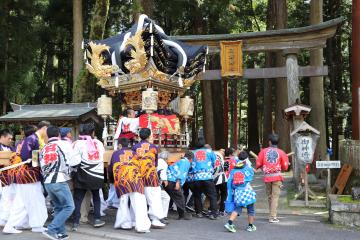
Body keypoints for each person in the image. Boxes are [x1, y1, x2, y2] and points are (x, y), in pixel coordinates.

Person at [5, 121, 50, 234]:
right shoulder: (32, 138)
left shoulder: (34, 138)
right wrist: (39, 156)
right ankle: (12, 225)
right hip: (29, 176)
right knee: (25, 202)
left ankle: (36, 225)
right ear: (44, 128)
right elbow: (26, 157)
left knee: (35, 201)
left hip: (31, 176)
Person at [39, 126, 80, 240]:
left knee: (58, 207)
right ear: (58, 134)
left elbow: (38, 164)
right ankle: (52, 229)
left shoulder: (44, 147)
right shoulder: (64, 144)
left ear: (47, 135)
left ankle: (61, 233)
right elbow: (75, 161)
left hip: (47, 182)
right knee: (69, 206)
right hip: (59, 179)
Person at [109, 137, 151, 233]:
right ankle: (142, 226)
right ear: (128, 145)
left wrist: (111, 181)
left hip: (122, 181)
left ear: (119, 145)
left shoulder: (115, 154)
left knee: (123, 202)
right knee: (139, 204)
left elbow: (111, 169)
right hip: (136, 180)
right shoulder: (135, 153)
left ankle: (125, 224)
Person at [72, 123, 105, 230]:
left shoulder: (78, 144)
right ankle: (97, 219)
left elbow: (74, 161)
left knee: (78, 199)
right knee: (96, 198)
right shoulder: (99, 143)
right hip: (97, 175)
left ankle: (76, 222)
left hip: (83, 175)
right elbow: (102, 157)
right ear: (93, 133)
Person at [132, 128, 166, 228]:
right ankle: (155, 220)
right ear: (149, 136)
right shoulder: (153, 147)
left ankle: (139, 220)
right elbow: (155, 163)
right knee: (154, 199)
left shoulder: (134, 147)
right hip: (151, 177)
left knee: (139, 200)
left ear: (139, 136)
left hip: (138, 177)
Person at [256, 133, 289, 223]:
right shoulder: (281, 152)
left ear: (269, 142)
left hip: (267, 177)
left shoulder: (263, 151)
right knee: (275, 197)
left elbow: (258, 164)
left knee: (270, 197)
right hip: (277, 177)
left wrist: (262, 166)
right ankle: (273, 216)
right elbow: (285, 167)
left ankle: (271, 214)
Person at [224, 151, 257, 233]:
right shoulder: (248, 168)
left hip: (238, 192)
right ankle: (250, 226)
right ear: (246, 159)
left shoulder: (234, 170)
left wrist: (230, 194)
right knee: (251, 209)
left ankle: (229, 223)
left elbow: (230, 182)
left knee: (237, 208)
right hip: (247, 191)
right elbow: (250, 177)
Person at [191, 138, 218, 219]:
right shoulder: (210, 152)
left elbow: (191, 164)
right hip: (207, 176)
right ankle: (213, 214)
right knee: (212, 195)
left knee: (197, 195)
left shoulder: (193, 153)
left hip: (196, 177)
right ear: (204, 144)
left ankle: (199, 213)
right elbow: (215, 162)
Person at [164, 151, 193, 220]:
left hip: (168, 180)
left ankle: (177, 213)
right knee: (180, 197)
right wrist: (178, 182)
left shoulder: (181, 161)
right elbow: (181, 172)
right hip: (173, 181)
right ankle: (182, 214)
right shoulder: (186, 162)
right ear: (191, 159)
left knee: (172, 196)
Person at [0, 129, 15, 227]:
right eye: (9, 138)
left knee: (7, 198)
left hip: (8, 176)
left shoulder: (11, 148)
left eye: (11, 139)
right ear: (2, 137)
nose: (10, 140)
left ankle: (4, 219)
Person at [157, 150, 171, 222]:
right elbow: (162, 171)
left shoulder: (157, 161)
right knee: (166, 197)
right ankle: (162, 216)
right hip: (156, 184)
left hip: (153, 183)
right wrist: (165, 180)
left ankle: (160, 216)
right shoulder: (162, 162)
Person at [213, 149, 227, 216]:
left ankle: (214, 210)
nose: (223, 152)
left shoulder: (212, 155)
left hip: (214, 178)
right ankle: (222, 210)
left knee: (215, 195)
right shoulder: (220, 156)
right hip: (223, 178)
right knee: (224, 194)